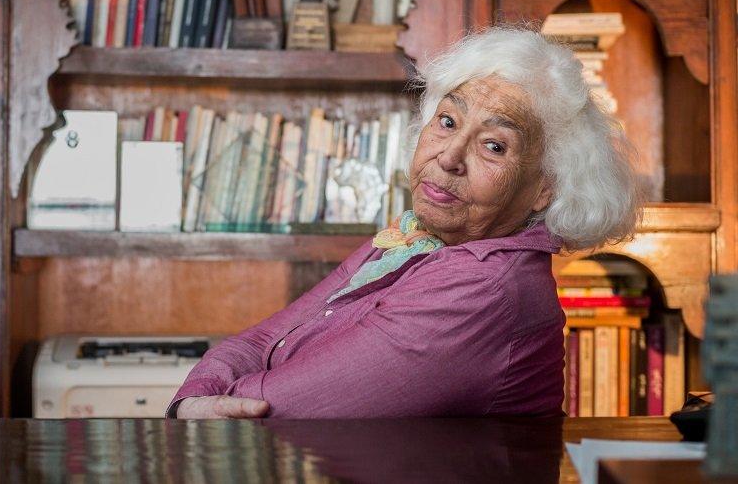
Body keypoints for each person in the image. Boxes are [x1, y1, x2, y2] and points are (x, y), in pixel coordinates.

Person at [169, 27, 642, 419]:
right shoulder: (413, 238)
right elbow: (263, 338)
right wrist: (195, 399)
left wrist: (198, 410)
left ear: (545, 187)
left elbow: (283, 412)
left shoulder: (486, 289)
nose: (450, 157)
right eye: (449, 121)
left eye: (493, 146)